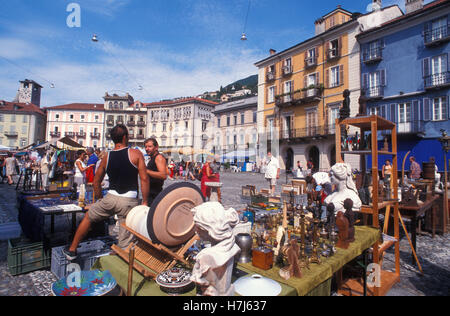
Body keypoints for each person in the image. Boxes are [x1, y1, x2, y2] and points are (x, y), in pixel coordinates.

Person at [63, 124, 150, 260]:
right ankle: (121, 261)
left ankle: (72, 250)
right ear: (125, 137)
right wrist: (144, 201)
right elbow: (144, 179)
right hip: (129, 201)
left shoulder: (106, 157)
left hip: (110, 197)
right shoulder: (136, 154)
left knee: (88, 217)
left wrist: (98, 199)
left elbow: (97, 181)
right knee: (125, 237)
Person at [144, 138, 167, 206]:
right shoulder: (152, 158)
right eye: (145, 147)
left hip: (155, 195)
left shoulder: (158, 157)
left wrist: (146, 171)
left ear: (156, 147)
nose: (147, 149)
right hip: (151, 194)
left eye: (150, 146)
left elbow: (163, 175)